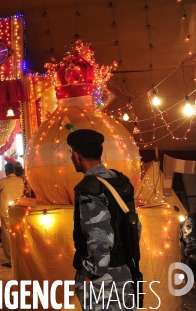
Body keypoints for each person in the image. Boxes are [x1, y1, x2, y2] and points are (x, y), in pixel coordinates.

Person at [68, 129, 140, 310]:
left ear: (77, 156)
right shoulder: (119, 180)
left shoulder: (90, 188)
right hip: (125, 270)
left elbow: (99, 238)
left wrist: (90, 273)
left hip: (103, 280)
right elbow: (135, 226)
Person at [0, 162, 24, 268]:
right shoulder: (20, 181)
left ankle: (10, 259)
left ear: (6, 171)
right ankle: (19, 257)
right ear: (14, 170)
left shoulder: (4, 181)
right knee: (17, 234)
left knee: (6, 235)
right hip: (17, 211)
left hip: (6, 212)